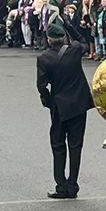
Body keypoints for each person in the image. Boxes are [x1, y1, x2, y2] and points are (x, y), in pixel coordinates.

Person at [36, 20, 95, 198]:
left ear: (49, 39)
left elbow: (41, 85)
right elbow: (83, 41)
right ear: (64, 38)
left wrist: (47, 100)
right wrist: (69, 25)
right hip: (79, 104)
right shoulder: (74, 50)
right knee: (76, 146)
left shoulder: (44, 58)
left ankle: (61, 185)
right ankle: (73, 185)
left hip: (59, 106)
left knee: (58, 145)